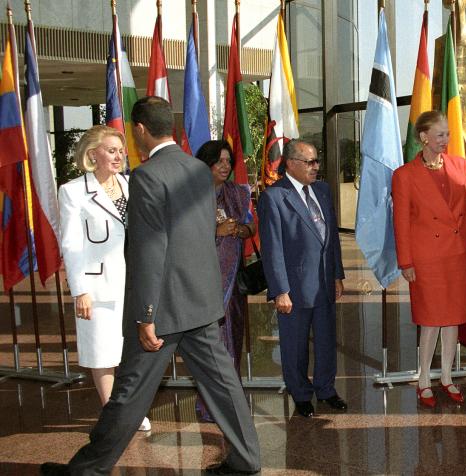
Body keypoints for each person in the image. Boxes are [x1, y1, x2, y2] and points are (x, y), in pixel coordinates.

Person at [41, 96, 261, 476]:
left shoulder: (147, 176)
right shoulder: (197, 169)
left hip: (161, 310)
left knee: (128, 394)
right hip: (201, 304)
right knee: (224, 387)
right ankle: (247, 460)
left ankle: (86, 470)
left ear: (140, 129)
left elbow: (150, 247)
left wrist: (144, 315)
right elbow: (198, 237)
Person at [58, 126, 150, 432]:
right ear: (91, 154)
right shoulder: (72, 192)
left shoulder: (130, 184)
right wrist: (80, 290)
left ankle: (130, 408)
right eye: (111, 150)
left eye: (120, 150)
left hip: (133, 283)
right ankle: (115, 414)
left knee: (131, 350)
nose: (118, 156)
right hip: (97, 286)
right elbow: (71, 245)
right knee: (102, 352)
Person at [259, 139, 346, 419]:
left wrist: (337, 274)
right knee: (294, 345)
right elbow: (272, 249)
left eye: (316, 161)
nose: (316, 167)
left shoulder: (322, 190)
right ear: (291, 163)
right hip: (294, 288)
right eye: (310, 162)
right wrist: (280, 290)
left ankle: (326, 389)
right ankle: (300, 393)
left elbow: (331, 240)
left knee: (325, 341)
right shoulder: (274, 197)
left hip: (324, 282)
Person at [392, 110, 466, 407]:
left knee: (452, 320)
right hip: (427, 259)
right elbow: (400, 222)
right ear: (423, 137)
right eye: (440, 135)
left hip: (456, 254)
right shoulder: (404, 175)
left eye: (448, 134)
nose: (446, 140)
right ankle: (424, 378)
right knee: (431, 320)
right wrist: (406, 262)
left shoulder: (460, 165)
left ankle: (448, 376)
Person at [193, 140, 256, 422]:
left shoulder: (238, 193)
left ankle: (233, 400)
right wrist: (215, 231)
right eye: (219, 161)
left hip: (234, 286)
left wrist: (240, 230)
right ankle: (209, 405)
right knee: (211, 346)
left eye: (228, 161)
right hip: (203, 284)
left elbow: (251, 225)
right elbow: (183, 237)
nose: (225, 166)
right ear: (205, 163)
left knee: (234, 341)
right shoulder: (190, 196)